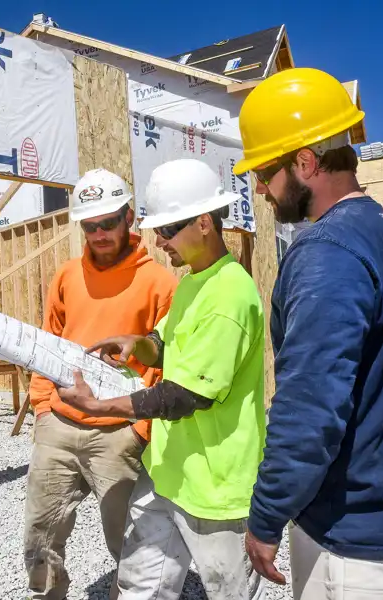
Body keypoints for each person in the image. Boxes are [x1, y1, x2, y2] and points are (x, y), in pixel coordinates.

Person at [232, 67, 383, 598]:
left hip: (352, 546)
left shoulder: (327, 252)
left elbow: (311, 405)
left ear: (305, 162)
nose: (260, 187)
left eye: (265, 170)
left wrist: (267, 514)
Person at [58, 158, 267, 600]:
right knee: (139, 587)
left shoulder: (230, 294)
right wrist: (138, 343)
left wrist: (98, 406)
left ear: (205, 223)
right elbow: (167, 342)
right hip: (168, 474)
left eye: (168, 230)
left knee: (227, 592)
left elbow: (185, 396)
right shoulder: (194, 281)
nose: (158, 240)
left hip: (216, 489)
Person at [24, 168, 178, 600]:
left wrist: (138, 430)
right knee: (40, 536)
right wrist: (41, 406)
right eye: (89, 226)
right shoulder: (67, 276)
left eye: (108, 222)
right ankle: (47, 594)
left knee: (130, 544)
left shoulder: (159, 283)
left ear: (128, 217)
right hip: (59, 424)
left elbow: (170, 361)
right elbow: (47, 343)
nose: (99, 233)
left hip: (118, 434)